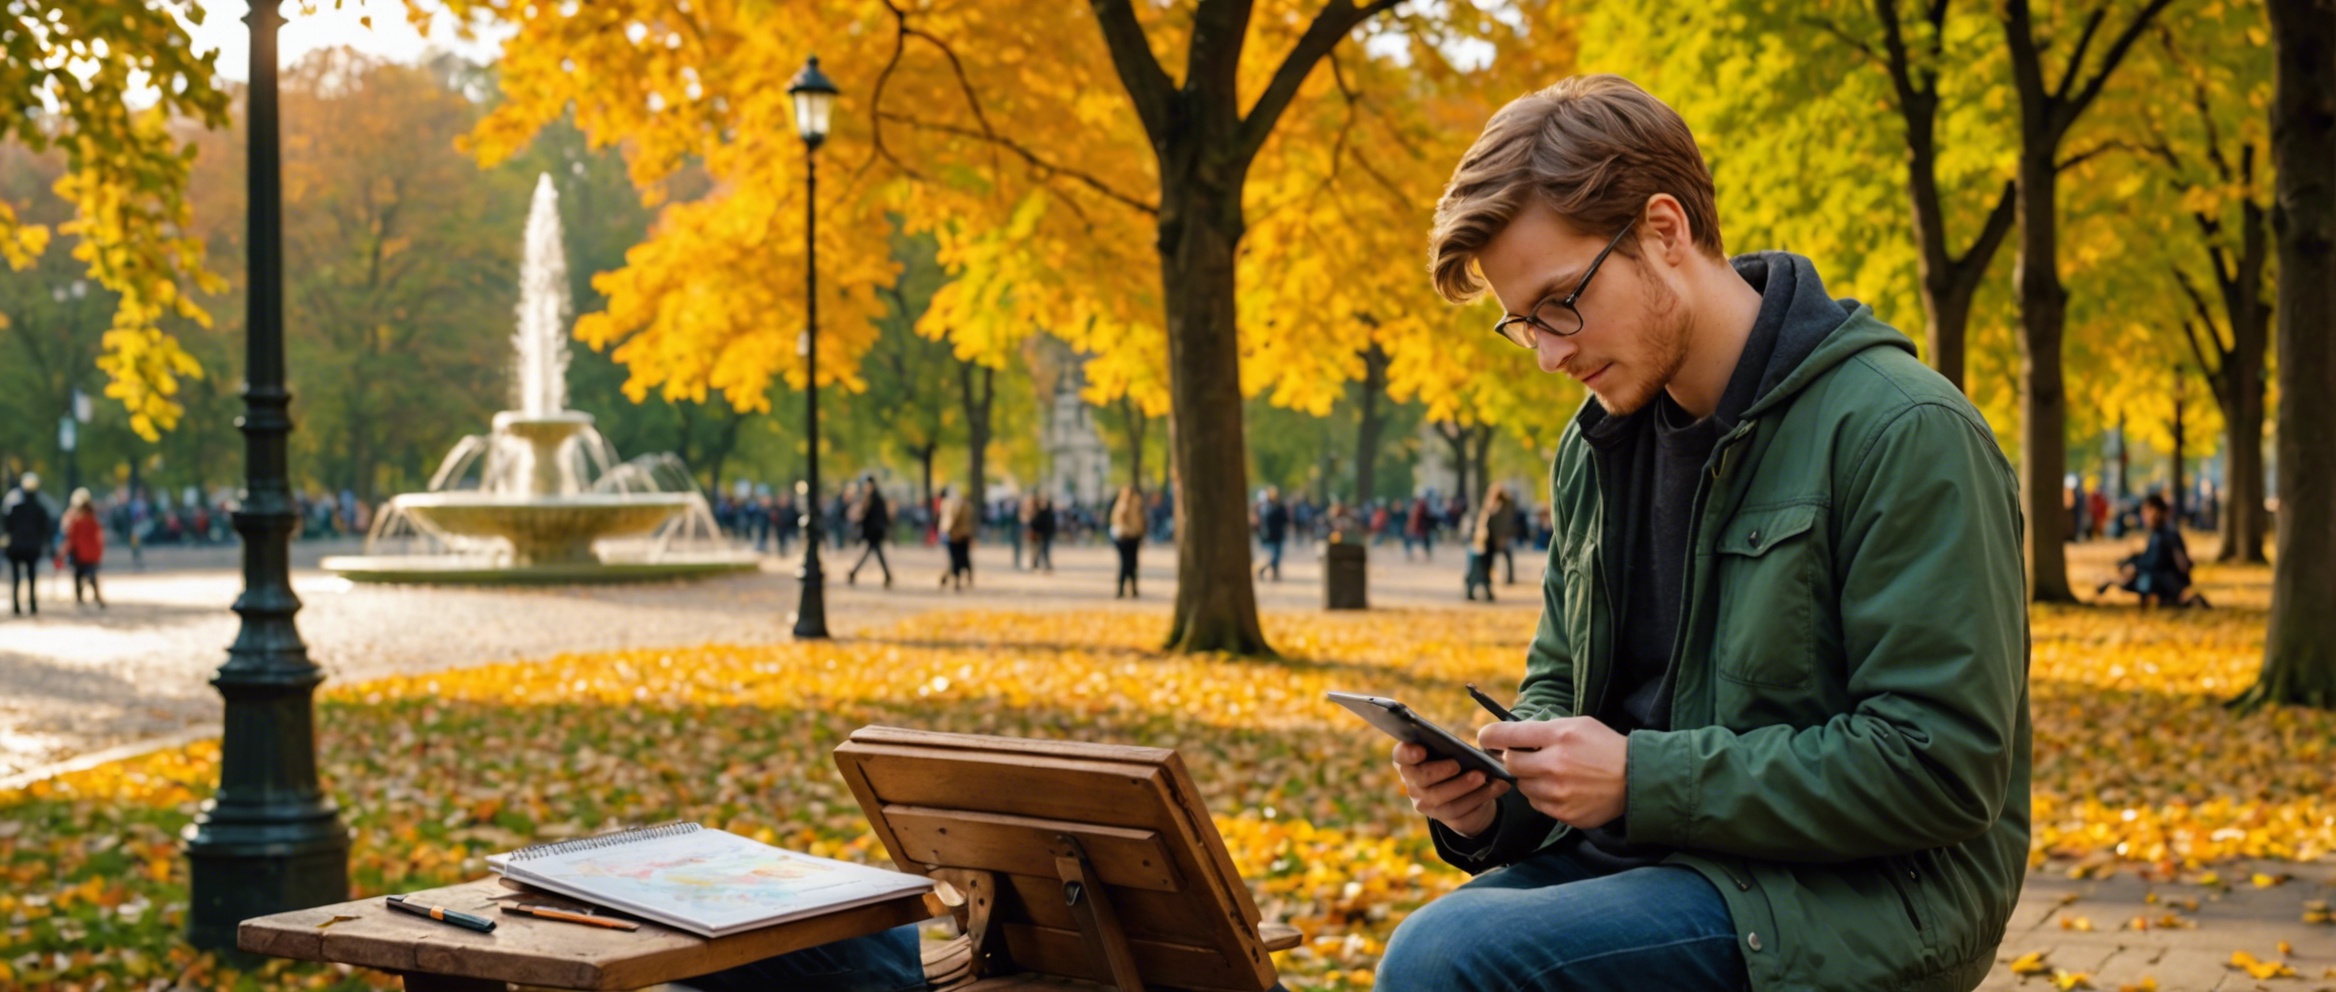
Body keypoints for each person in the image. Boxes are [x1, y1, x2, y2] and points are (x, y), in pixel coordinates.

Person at [1379, 75, 2029, 992]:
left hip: (1855, 898)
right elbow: (1561, 689)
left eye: (1563, 301)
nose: (1553, 353)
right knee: (1437, 935)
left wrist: (1643, 778)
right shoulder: (1593, 447)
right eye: (1523, 325)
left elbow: (1942, 768)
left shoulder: (1902, 430)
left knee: (1447, 956)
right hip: (1649, 865)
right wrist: (1495, 802)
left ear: (1665, 230)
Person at [2098, 493, 2208, 608]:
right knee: (2139, 575)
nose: (2144, 516)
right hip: (2170, 581)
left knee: (2144, 578)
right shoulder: (2161, 533)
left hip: (2170, 582)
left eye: (2146, 512)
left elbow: (2155, 563)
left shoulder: (2165, 535)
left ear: (2155, 511)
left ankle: (2174, 600)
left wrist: (2133, 567)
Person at [5, 472, 54, 617]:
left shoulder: (13, 504)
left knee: (16, 577)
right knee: (32, 576)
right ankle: (32, 605)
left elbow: (7, 525)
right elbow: (45, 527)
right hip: (32, 545)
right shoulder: (40, 506)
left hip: (16, 545)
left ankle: (16, 606)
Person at [58, 487, 104, 609]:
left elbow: (70, 538)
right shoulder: (93, 519)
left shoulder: (75, 519)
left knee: (78, 575)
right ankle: (96, 596)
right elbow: (99, 537)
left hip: (80, 553)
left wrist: (61, 554)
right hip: (92, 552)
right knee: (91, 575)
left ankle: (80, 598)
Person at [1465, 486, 1513, 602]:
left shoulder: (1492, 507)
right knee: (1485, 568)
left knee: (1482, 567)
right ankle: (1483, 591)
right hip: (1488, 543)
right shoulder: (1498, 508)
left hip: (1485, 542)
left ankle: (1476, 591)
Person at [846, 475, 893, 588]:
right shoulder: (874, 498)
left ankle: (854, 572)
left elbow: (868, 516)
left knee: (870, 553)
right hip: (874, 531)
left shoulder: (872, 499)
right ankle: (886, 575)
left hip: (874, 532)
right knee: (874, 553)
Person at [1109, 483, 1145, 599]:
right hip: (1126, 538)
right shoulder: (1126, 505)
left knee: (1130, 564)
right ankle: (1126, 589)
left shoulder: (1132, 504)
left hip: (1131, 537)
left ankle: (1129, 589)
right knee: (1127, 564)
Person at [938, 485, 976, 591]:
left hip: (955, 535)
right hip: (965, 534)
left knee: (955, 558)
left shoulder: (951, 504)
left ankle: (953, 579)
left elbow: (953, 519)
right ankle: (963, 576)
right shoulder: (969, 505)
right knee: (962, 557)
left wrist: (949, 530)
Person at [1254, 486, 1290, 582]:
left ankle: (1275, 574)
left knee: (1277, 556)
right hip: (1268, 535)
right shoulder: (1265, 507)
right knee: (1273, 556)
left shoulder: (1279, 506)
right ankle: (1263, 570)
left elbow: (1285, 519)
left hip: (1278, 535)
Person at [1028, 494, 1057, 573]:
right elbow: (1034, 523)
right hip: (1039, 535)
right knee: (1038, 551)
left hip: (1045, 534)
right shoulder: (1040, 512)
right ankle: (1037, 564)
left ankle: (1044, 565)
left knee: (1043, 550)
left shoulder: (1046, 513)